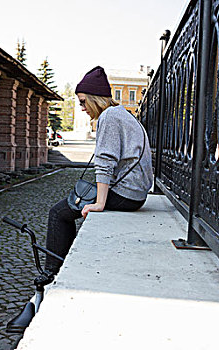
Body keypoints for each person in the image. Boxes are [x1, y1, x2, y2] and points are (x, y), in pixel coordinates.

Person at [44, 66, 153, 275]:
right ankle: (59, 267)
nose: (82, 107)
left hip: (126, 194)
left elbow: (105, 161)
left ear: (96, 98)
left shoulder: (109, 116)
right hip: (135, 193)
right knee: (71, 203)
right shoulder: (121, 114)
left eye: (83, 101)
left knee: (58, 213)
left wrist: (99, 203)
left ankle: (52, 273)